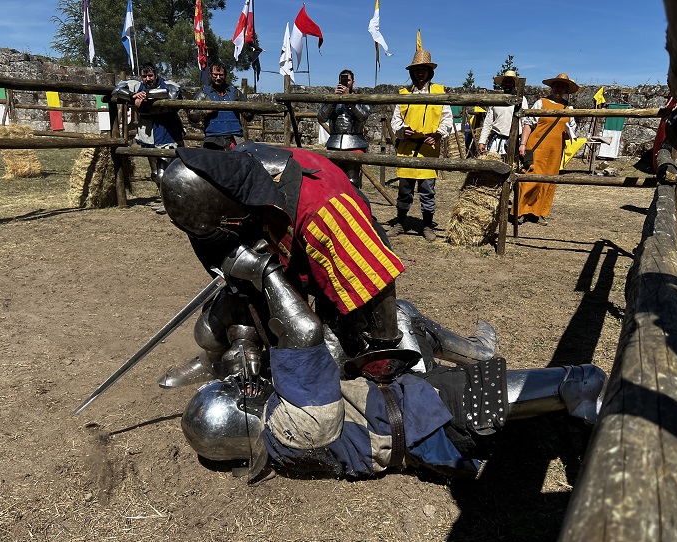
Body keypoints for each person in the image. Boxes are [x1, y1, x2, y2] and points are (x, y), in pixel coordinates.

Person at [177, 239, 677, 481]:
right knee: (581, 379)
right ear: (243, 417)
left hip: (413, 404)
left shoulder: (279, 434)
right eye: (238, 396)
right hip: (438, 419)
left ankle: (488, 360)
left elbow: (266, 355)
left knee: (403, 320)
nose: (244, 387)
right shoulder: (297, 423)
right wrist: (264, 272)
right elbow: (305, 335)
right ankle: (675, 454)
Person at [156, 143, 500, 389]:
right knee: (217, 321)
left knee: (333, 359)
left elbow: (375, 282)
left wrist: (383, 350)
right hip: (284, 258)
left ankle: (476, 353)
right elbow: (224, 254)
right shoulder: (224, 175)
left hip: (342, 263)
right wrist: (242, 335)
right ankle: (212, 360)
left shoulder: (325, 210)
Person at [388, 48, 454, 242]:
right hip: (408, 148)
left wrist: (439, 134)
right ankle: (400, 223)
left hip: (428, 148)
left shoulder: (439, 92)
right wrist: (402, 131)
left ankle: (427, 226)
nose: (420, 72)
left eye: (424, 69)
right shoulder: (403, 93)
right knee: (404, 190)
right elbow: (395, 120)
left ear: (429, 71)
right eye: (417, 69)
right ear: (412, 72)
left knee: (427, 190)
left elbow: (446, 119)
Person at [516, 73, 578, 226]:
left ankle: (539, 213)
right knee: (530, 178)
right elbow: (528, 124)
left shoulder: (569, 108)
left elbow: (572, 129)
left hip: (555, 151)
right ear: (552, 86)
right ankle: (520, 211)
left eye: (562, 86)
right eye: (557, 85)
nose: (559, 88)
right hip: (537, 147)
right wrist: (523, 144)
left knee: (549, 182)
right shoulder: (541, 103)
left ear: (566, 89)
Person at [111, 63, 185, 188]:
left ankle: (174, 200)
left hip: (168, 129)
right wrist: (132, 96)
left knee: (172, 170)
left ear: (156, 75)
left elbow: (173, 96)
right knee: (156, 172)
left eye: (150, 75)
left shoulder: (168, 85)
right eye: (144, 76)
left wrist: (147, 96)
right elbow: (116, 90)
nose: (147, 79)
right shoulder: (137, 86)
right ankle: (162, 198)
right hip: (148, 131)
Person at [317, 69, 370, 188]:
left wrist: (350, 100)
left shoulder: (361, 99)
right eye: (343, 80)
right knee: (333, 181)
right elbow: (321, 117)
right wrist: (333, 100)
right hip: (334, 143)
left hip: (354, 143)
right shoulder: (332, 99)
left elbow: (363, 117)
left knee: (352, 181)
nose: (346, 83)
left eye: (349, 80)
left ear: (353, 83)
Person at [188, 60, 253, 150]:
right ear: (211, 74)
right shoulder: (204, 93)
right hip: (212, 139)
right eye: (215, 75)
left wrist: (241, 108)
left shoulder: (234, 93)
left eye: (221, 75)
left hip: (235, 138)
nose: (218, 78)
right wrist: (206, 111)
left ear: (225, 75)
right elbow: (191, 116)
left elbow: (249, 116)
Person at [477, 70, 529, 161]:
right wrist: (482, 141)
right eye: (506, 82)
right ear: (502, 84)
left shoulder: (521, 100)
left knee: (512, 168)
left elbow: (525, 122)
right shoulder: (496, 100)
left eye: (510, 82)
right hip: (496, 141)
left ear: (514, 84)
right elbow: (488, 122)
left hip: (515, 141)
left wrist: (523, 144)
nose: (508, 84)